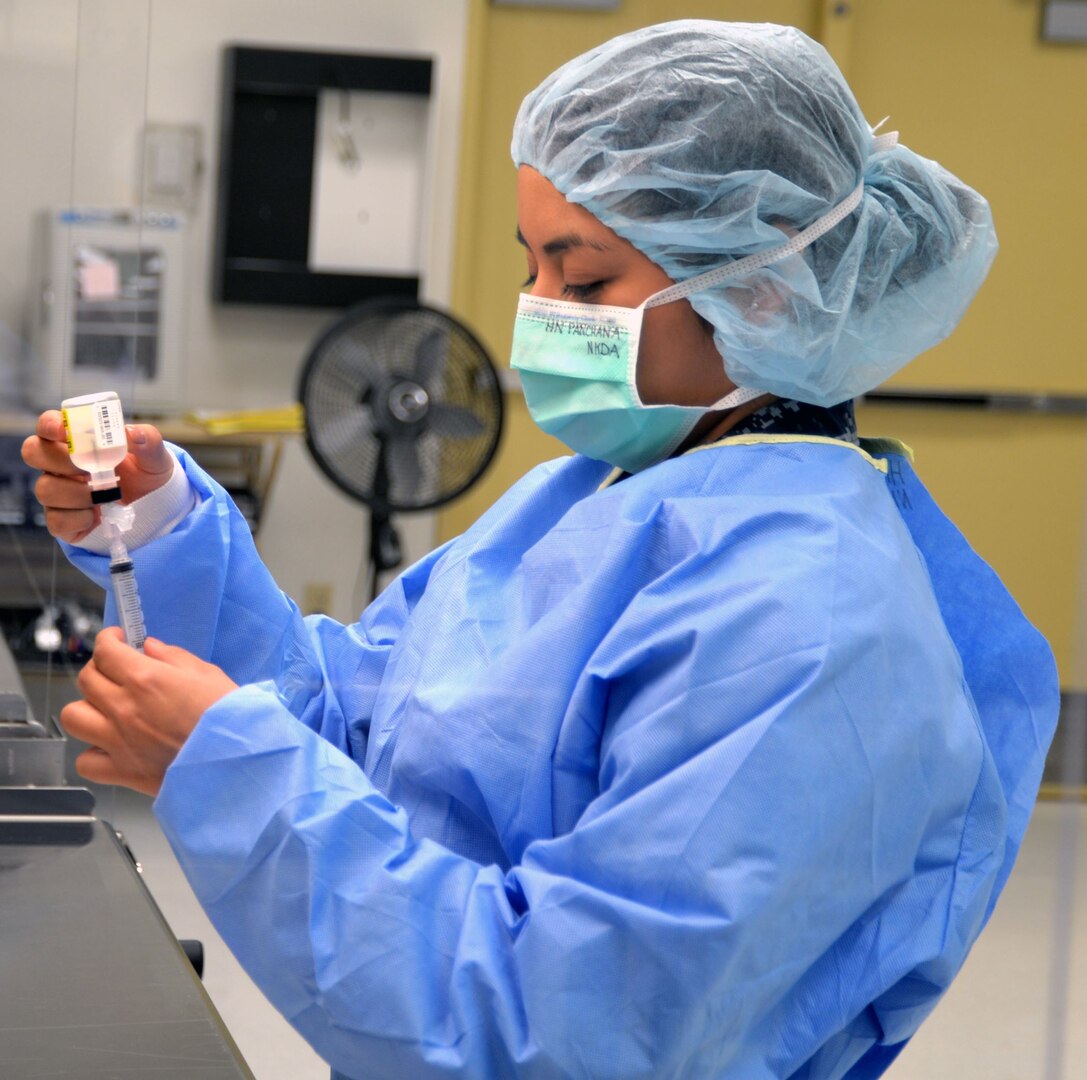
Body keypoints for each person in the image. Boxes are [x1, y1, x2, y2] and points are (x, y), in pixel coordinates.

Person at [22, 20, 1058, 1080]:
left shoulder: (810, 617)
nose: (536, 317)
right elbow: (364, 731)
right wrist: (156, 531)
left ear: (755, 291)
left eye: (585, 281)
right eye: (532, 268)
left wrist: (227, 770)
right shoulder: (594, 501)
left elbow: (561, 1034)